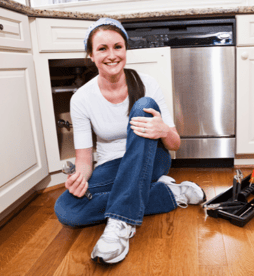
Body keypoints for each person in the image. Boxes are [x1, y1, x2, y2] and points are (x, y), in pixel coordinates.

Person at [54, 18, 206, 265]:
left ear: (126, 50)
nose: (111, 55)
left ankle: (119, 224)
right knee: (66, 208)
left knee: (144, 106)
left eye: (118, 47)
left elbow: (174, 144)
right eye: (102, 49)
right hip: (111, 167)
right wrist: (79, 178)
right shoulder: (81, 99)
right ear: (91, 55)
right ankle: (169, 193)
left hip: (153, 160)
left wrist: (163, 130)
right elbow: (83, 160)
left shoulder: (147, 84)